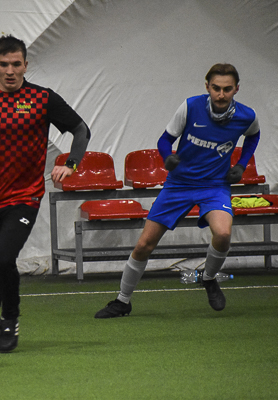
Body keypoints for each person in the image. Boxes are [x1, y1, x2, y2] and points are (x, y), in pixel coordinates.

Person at [0, 35, 91, 350]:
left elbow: (81, 130)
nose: (10, 71)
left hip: (24, 197)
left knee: (3, 258)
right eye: (4, 64)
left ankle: (10, 319)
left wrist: (71, 164)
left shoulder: (42, 98)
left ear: (26, 65)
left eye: (16, 64)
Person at [95, 63, 260, 319]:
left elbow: (253, 136)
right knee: (144, 245)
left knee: (223, 234)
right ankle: (122, 301)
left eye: (227, 89)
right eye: (216, 88)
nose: (221, 94)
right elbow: (165, 140)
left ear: (236, 89)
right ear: (207, 87)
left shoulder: (247, 116)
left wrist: (241, 164)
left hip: (214, 186)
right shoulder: (190, 107)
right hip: (179, 184)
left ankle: (208, 278)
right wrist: (167, 158)